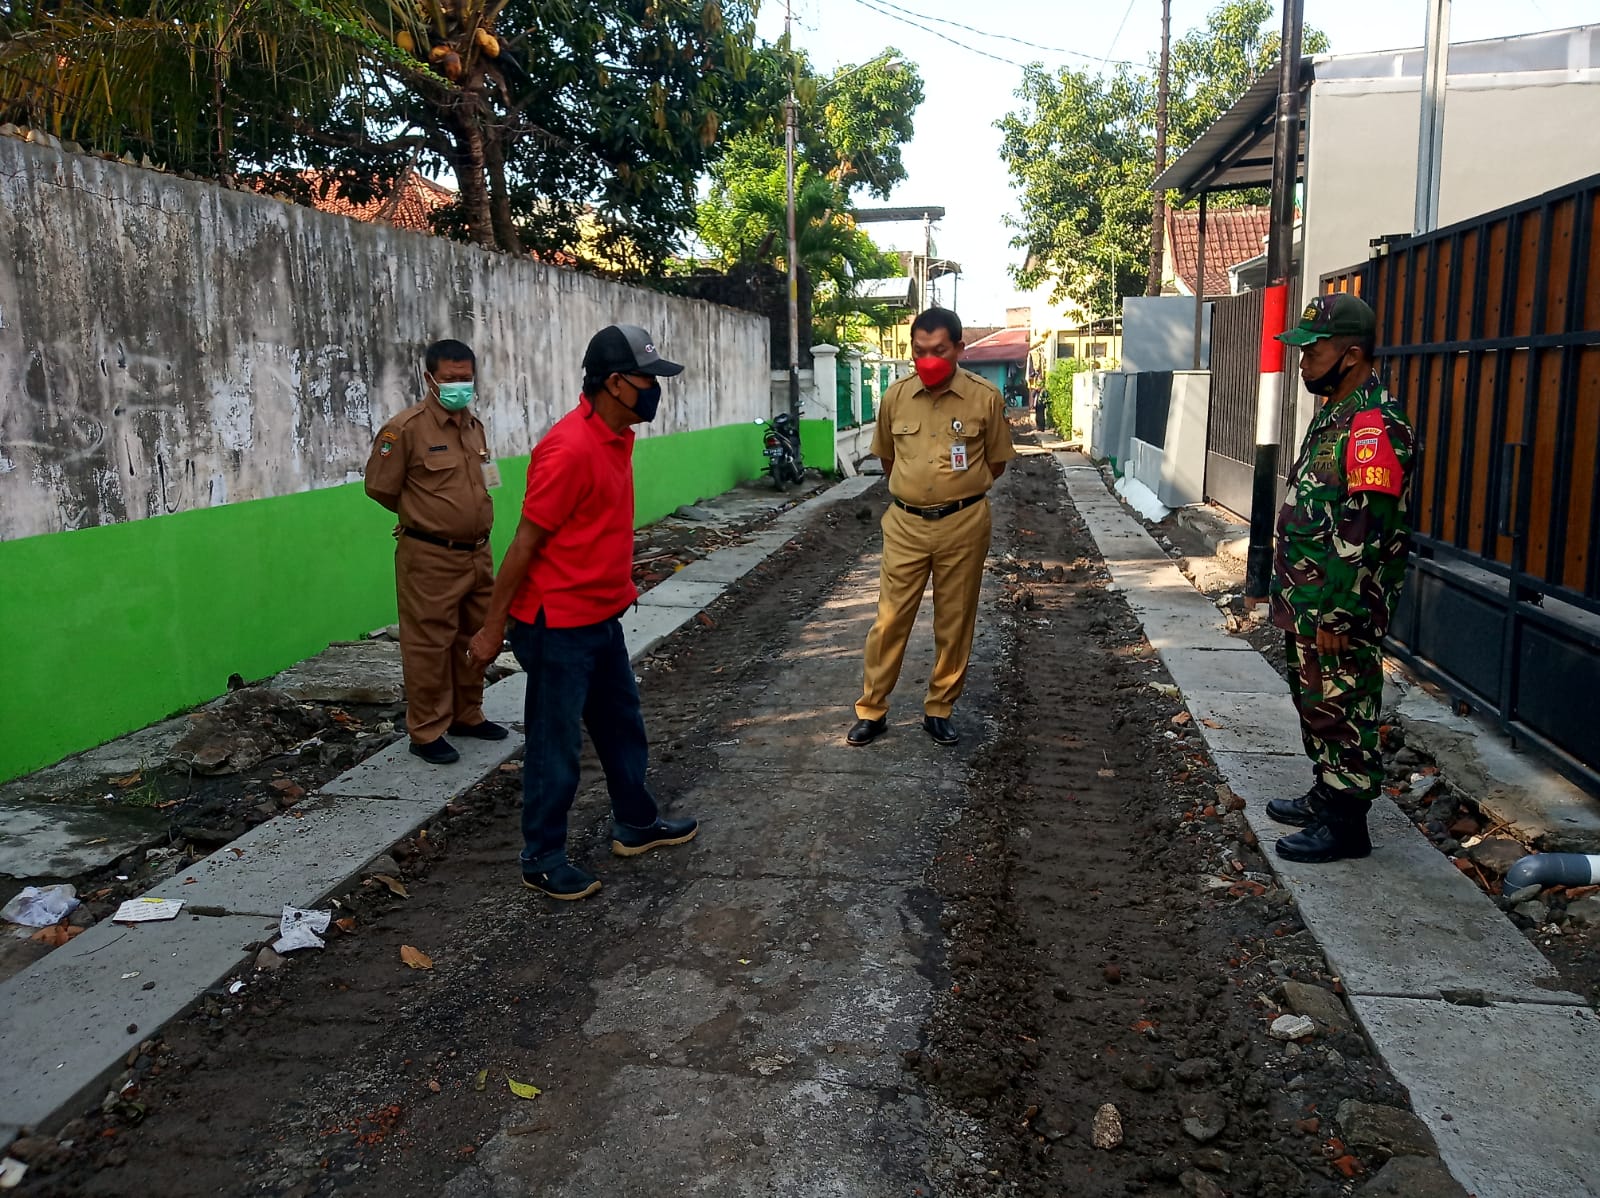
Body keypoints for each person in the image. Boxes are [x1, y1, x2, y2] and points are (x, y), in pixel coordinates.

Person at [467, 325, 697, 901]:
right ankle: (541, 856)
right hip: (556, 625)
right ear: (616, 384)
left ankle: (635, 825)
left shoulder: (619, 437)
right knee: (555, 745)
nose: (655, 390)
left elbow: (593, 529)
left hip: (600, 615)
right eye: (648, 379)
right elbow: (524, 543)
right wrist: (494, 626)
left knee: (622, 726)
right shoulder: (568, 449)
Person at [1251, 293, 1414, 864]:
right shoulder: (1336, 415)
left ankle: (1347, 824)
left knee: (1343, 702)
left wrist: (1340, 611)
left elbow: (1366, 527)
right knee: (1315, 698)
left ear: (1351, 354)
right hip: (1309, 596)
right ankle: (1327, 790)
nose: (1302, 360)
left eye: (1313, 350)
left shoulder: (1373, 427)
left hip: (1336, 604)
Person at [848, 307, 1016, 748]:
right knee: (889, 620)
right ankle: (872, 709)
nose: (928, 359)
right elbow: (888, 460)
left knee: (955, 619)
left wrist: (955, 492)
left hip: (964, 523)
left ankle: (939, 707)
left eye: (938, 350)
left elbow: (995, 463)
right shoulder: (895, 397)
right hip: (905, 524)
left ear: (959, 348)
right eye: (919, 351)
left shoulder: (985, 398)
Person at [365, 339, 508, 765]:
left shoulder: (473, 426)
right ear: (429, 378)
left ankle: (468, 714)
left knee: (475, 637)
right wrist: (422, 515)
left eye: (466, 379)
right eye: (450, 379)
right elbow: (380, 487)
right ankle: (427, 730)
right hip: (430, 557)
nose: (459, 387)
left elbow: (484, 482)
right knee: (429, 645)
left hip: (478, 554)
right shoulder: (404, 429)